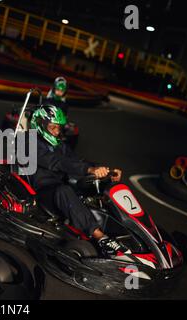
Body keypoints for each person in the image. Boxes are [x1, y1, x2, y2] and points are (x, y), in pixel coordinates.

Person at [29, 105, 130, 256]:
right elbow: (56, 162)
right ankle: (101, 238)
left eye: (59, 128)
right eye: (53, 127)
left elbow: (77, 160)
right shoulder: (28, 142)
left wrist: (101, 170)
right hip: (41, 191)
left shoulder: (59, 145)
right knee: (65, 191)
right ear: (40, 125)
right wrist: (87, 170)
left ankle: (127, 230)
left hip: (61, 185)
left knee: (97, 187)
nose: (57, 132)